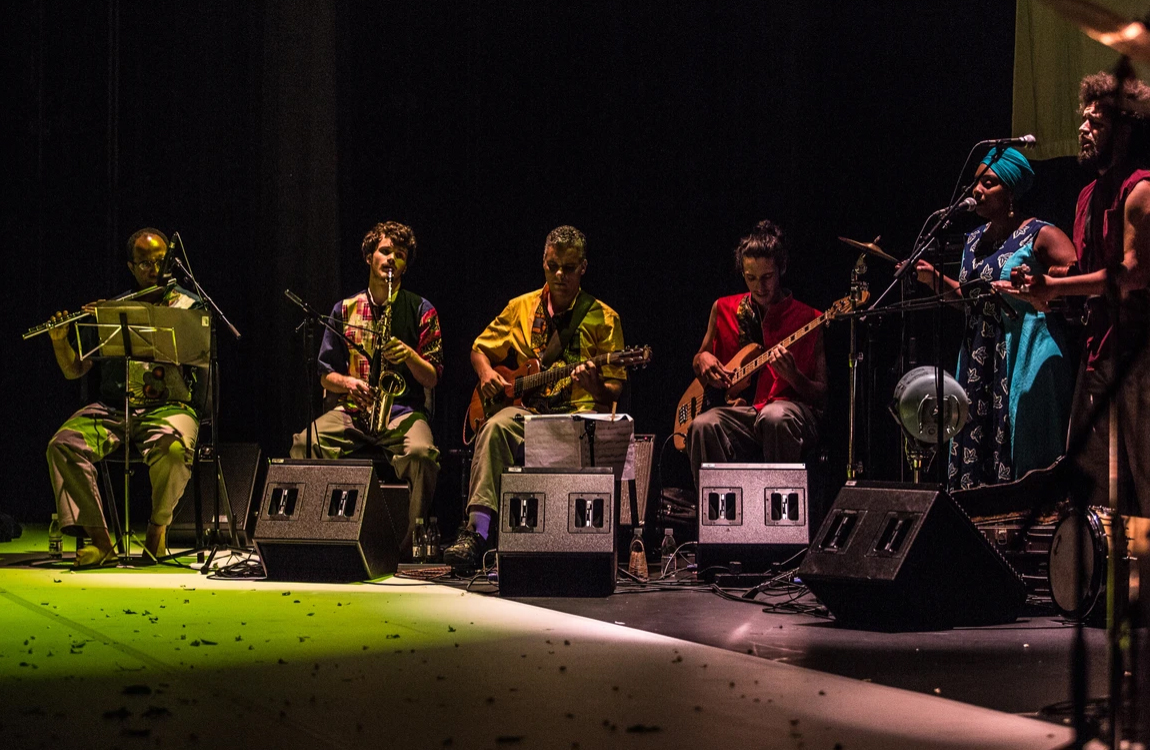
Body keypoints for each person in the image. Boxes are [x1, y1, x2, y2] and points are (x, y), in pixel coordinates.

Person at [999, 72, 1150, 515]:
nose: (1083, 129)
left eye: (1096, 124)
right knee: (1091, 484)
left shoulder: (1140, 190)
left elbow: (1134, 274)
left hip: (1138, 356)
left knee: (1143, 478)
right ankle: (1104, 583)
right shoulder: (1087, 195)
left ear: (1124, 132)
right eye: (1084, 121)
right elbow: (1089, 274)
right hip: (1098, 351)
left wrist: (1057, 284)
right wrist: (1040, 286)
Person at [442, 225, 626, 571]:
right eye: (552, 265)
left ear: (583, 268)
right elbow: (479, 349)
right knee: (495, 427)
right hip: (529, 415)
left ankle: (584, 545)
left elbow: (615, 389)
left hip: (577, 418)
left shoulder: (604, 318)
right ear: (543, 261)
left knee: (585, 427)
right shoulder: (520, 308)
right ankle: (476, 533)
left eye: (569, 268)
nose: (559, 275)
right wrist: (486, 374)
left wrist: (596, 385)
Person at [907, 148, 1077, 490]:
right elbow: (970, 299)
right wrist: (934, 280)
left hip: (1025, 350)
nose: (977, 191)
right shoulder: (972, 240)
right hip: (979, 358)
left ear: (1011, 191)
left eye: (989, 183)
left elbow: (1075, 276)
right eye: (975, 183)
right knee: (976, 447)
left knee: (1025, 444)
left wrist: (1035, 284)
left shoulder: (1040, 234)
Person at [46, 228, 203, 568]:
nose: (154, 270)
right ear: (131, 267)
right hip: (114, 409)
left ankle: (157, 532)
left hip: (169, 407)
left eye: (160, 262)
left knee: (175, 449)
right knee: (63, 443)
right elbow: (75, 370)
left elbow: (201, 356)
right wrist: (61, 342)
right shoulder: (111, 309)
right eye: (145, 263)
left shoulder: (189, 305)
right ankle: (101, 542)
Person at [291, 221, 442, 556]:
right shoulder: (344, 309)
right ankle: (317, 537)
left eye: (400, 256)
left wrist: (411, 355)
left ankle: (406, 548)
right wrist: (347, 383)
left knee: (421, 456)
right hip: (353, 413)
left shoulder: (422, 309)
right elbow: (325, 373)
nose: (391, 260)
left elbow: (433, 377)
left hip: (401, 413)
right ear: (370, 256)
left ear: (405, 264)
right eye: (385, 251)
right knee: (303, 444)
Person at [686, 220, 827, 488]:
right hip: (746, 412)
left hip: (791, 414)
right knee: (702, 425)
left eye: (767, 277)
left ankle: (778, 521)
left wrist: (794, 377)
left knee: (774, 416)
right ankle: (718, 522)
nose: (759, 287)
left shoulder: (810, 318)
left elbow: (821, 395)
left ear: (781, 269)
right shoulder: (723, 308)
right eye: (750, 278)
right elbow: (700, 359)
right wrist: (702, 359)